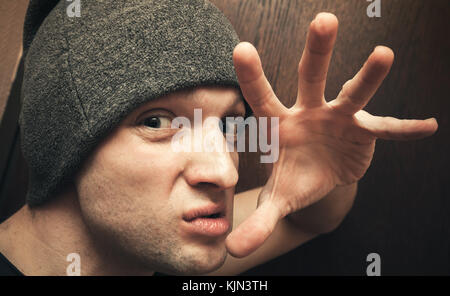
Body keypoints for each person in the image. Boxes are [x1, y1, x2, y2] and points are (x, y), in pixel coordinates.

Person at [0, 0, 437, 276]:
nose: (226, 172)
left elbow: (313, 217)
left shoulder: (157, 243)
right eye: (156, 122)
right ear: (60, 143)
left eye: (229, 125)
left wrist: (322, 165)